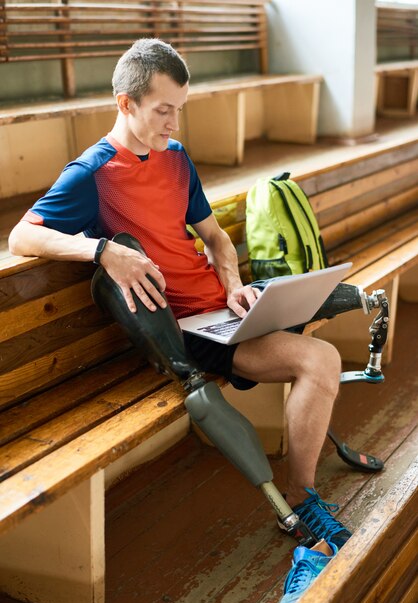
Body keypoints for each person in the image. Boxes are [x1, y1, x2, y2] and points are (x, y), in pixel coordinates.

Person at [9, 38, 351, 549]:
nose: (174, 124)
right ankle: (302, 500)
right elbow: (21, 235)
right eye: (163, 110)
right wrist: (103, 250)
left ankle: (304, 484)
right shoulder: (91, 173)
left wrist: (234, 286)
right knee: (319, 360)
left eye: (180, 110)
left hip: (224, 308)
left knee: (328, 303)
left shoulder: (175, 158)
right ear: (125, 103)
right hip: (185, 328)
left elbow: (214, 237)